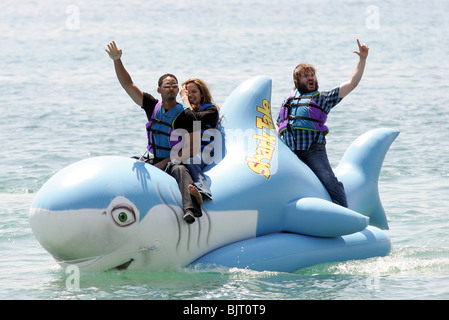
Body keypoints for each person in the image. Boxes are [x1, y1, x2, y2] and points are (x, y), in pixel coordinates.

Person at [105, 41, 202, 224]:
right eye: (167, 86)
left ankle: (191, 208)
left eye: (174, 85)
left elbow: (193, 148)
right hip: (153, 158)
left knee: (180, 170)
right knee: (126, 166)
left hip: (177, 160)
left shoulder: (189, 115)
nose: (171, 88)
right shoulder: (151, 104)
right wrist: (117, 60)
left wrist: (165, 162)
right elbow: (128, 84)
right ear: (159, 90)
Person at [276, 39, 369, 207]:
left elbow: (351, 84)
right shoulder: (287, 102)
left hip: (312, 151)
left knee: (328, 180)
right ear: (297, 81)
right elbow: (277, 125)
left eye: (312, 75)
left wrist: (362, 60)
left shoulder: (322, 99)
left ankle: (343, 213)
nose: (311, 78)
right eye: (306, 76)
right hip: (289, 152)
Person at [179, 78, 220, 204]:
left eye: (194, 92)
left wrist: (184, 99)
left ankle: (203, 191)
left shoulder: (211, 110)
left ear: (202, 93)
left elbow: (194, 119)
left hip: (203, 152)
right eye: (187, 93)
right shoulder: (182, 111)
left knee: (191, 160)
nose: (190, 95)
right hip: (187, 150)